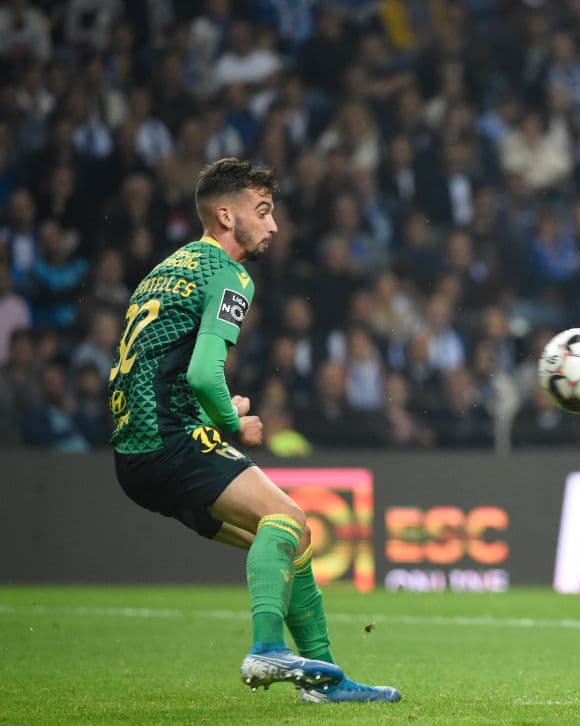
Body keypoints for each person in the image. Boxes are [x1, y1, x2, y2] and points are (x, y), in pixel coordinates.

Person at [108, 158, 399, 703]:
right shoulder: (228, 271)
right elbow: (201, 372)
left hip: (135, 452)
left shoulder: (166, 268)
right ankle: (267, 647)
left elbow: (156, 369)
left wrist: (205, 413)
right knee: (286, 517)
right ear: (225, 215)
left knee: (294, 539)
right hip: (171, 441)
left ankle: (323, 680)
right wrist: (231, 421)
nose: (273, 226)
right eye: (262, 212)